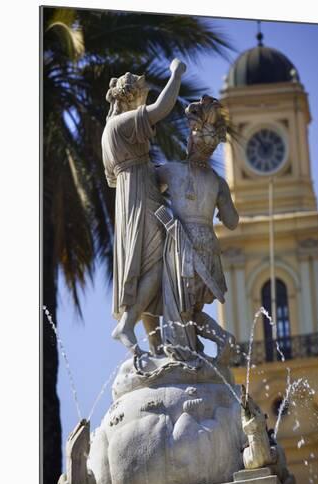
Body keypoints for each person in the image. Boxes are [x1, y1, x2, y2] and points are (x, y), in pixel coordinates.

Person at [102, 59, 186, 355]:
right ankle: (127, 323)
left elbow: (114, 178)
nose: (145, 99)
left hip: (130, 196)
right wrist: (176, 74)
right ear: (131, 96)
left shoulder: (108, 132)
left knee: (145, 266)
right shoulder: (124, 123)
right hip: (140, 196)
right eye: (142, 94)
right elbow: (163, 109)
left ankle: (155, 343)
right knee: (160, 261)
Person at [156, 95, 239, 364]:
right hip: (208, 246)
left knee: (180, 309)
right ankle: (219, 341)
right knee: (190, 310)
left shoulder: (171, 171)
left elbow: (146, 189)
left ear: (190, 141)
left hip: (182, 246)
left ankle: (191, 355)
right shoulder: (218, 182)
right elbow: (232, 221)